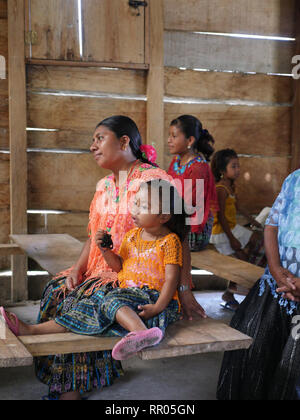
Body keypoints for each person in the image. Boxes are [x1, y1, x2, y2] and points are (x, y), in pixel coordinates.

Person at [1, 116, 206, 400]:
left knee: (77, 302)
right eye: (92, 140)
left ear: (124, 142)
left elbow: (179, 236)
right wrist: (77, 268)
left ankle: (69, 389)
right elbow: (94, 236)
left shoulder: (152, 179)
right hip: (105, 265)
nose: (92, 146)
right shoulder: (104, 186)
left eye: (99, 138)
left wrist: (184, 290)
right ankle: (76, 379)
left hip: (129, 275)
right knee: (55, 291)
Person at [0, 179, 188, 362]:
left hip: (153, 300)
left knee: (111, 300)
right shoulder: (132, 236)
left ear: (164, 217)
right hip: (129, 296)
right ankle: (31, 330)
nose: (136, 210)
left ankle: (140, 333)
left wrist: (158, 307)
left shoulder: (170, 242)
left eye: (144, 206)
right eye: (135, 203)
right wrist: (105, 250)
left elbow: (172, 280)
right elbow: (119, 266)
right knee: (86, 308)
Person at [217, 169, 300, 400]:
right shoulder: (294, 179)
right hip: (278, 285)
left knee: (291, 371)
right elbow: (272, 225)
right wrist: (274, 267)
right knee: (251, 347)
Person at [210, 149, 264, 310]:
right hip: (222, 231)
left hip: (232, 228)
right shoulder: (220, 188)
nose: (238, 170)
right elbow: (220, 217)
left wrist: (255, 221)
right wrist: (232, 239)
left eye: (238, 166)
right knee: (240, 259)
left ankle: (236, 289)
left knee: (256, 242)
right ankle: (232, 290)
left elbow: (239, 207)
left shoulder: (231, 187)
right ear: (222, 171)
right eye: (233, 167)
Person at [167, 115, 218, 252]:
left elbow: (188, 206)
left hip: (193, 230)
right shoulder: (176, 161)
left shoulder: (198, 167)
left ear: (190, 140)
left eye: (174, 136)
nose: (169, 140)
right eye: (169, 136)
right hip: (178, 220)